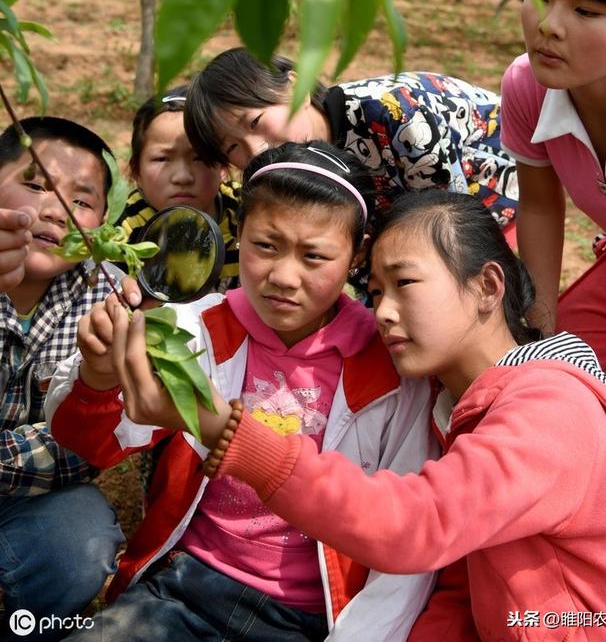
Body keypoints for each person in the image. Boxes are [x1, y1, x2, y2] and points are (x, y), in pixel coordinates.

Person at [67, 190, 606, 642]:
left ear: (487, 285)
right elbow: (458, 584)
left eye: (406, 284)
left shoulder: (548, 409)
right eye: (377, 288)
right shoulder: (455, 406)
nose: (384, 312)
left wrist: (223, 428)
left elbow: (413, 526)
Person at [46, 142, 437, 642]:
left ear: (358, 253)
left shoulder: (389, 369)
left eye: (315, 256)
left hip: (315, 615)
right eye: (265, 246)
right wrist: (98, 377)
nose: (283, 277)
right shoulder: (196, 330)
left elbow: (404, 535)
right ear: (240, 233)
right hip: (186, 587)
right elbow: (92, 440)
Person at [500, 0, 606, 379]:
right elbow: (540, 206)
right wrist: (536, 331)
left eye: (584, 9)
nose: (548, 25)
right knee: (529, 381)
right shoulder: (528, 87)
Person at [0, 116, 124, 641]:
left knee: (82, 540)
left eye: (82, 200)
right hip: (27, 472)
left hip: (28, 499)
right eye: (34, 183)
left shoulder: (108, 296)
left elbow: (90, 443)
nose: (55, 210)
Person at [184, 48, 518, 239]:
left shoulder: (394, 115)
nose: (255, 150)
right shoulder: (303, 164)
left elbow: (452, 222)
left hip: (498, 195)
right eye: (231, 148)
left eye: (255, 122)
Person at [118, 84, 241, 291]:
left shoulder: (246, 214)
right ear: (136, 171)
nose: (182, 177)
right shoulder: (122, 232)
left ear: (222, 166)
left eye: (200, 158)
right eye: (162, 159)